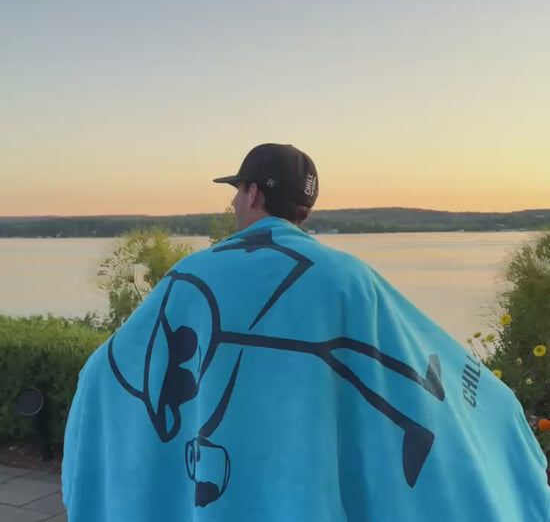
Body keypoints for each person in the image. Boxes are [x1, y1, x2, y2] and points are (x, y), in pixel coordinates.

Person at [62, 143, 550, 521]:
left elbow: (110, 371)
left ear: (254, 193)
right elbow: (416, 352)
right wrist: (499, 415)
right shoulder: (350, 279)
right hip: (309, 491)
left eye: (237, 190)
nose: (234, 201)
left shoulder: (193, 275)